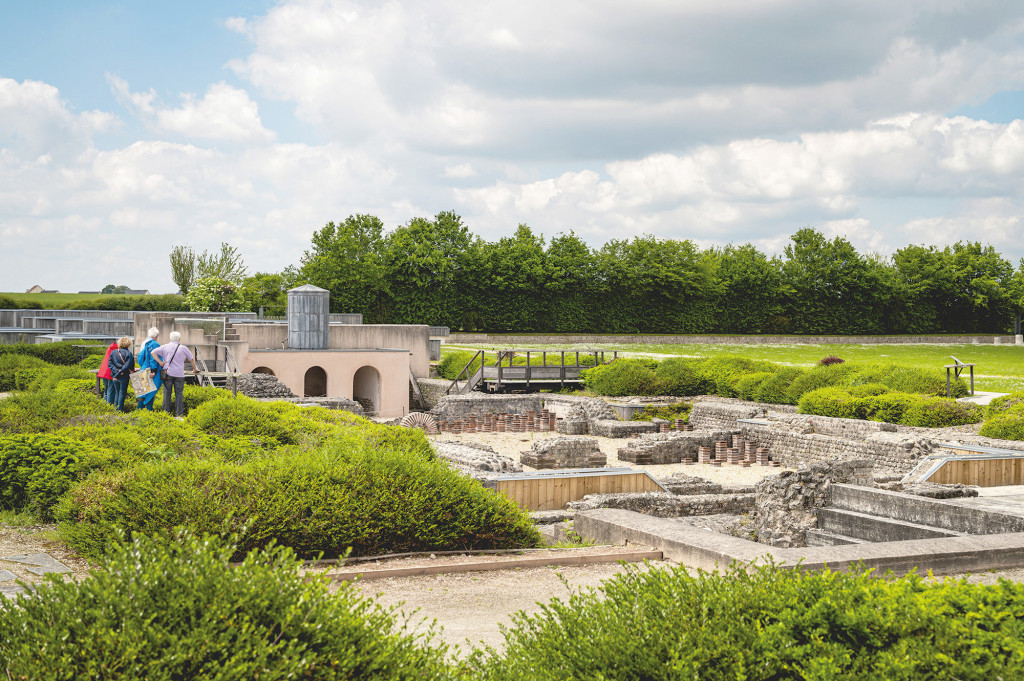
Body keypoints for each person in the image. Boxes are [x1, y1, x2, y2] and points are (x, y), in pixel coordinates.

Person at [155, 331, 200, 417]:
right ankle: (179, 414)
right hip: (179, 374)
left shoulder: (164, 347)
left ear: (170, 338)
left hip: (167, 373)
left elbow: (153, 352)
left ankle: (166, 414)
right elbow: (191, 359)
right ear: (179, 339)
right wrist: (194, 369)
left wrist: (160, 362)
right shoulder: (183, 348)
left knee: (167, 394)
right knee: (179, 394)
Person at [135, 327, 162, 410]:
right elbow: (153, 358)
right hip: (150, 369)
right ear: (156, 336)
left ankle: (139, 410)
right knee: (151, 390)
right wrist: (154, 370)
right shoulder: (154, 344)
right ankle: (149, 410)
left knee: (142, 392)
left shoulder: (144, 342)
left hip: (143, 368)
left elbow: (140, 357)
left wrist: (142, 365)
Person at [107, 336, 135, 413]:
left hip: (115, 375)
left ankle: (115, 409)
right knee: (122, 393)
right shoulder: (129, 353)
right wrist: (120, 372)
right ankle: (120, 410)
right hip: (124, 376)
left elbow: (110, 364)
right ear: (128, 344)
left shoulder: (114, 352)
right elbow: (129, 366)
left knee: (117, 393)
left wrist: (116, 371)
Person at [97, 339, 118, 404]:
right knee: (110, 390)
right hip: (110, 372)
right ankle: (109, 406)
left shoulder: (110, 347)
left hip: (104, 371)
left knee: (106, 390)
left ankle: (104, 405)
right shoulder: (116, 348)